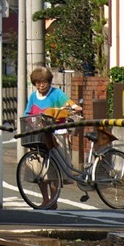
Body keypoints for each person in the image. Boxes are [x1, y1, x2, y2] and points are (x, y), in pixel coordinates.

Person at [23, 66, 81, 210]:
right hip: (39, 136)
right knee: (39, 171)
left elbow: (71, 105)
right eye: (38, 83)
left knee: (54, 172)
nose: (41, 85)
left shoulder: (56, 94)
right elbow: (27, 113)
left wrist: (74, 108)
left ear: (49, 82)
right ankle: (46, 199)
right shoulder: (33, 97)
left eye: (44, 82)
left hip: (56, 135)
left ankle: (53, 200)